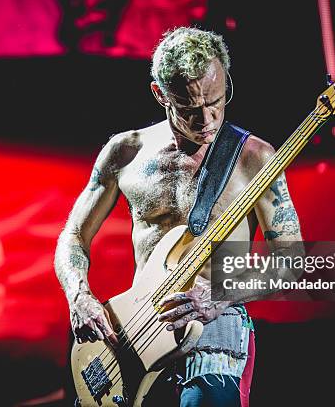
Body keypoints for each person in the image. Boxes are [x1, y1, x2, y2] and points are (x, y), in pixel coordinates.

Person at [55, 27, 303, 407]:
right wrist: (79, 296)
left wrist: (218, 297)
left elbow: (293, 263)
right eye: (189, 108)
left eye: (217, 101)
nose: (206, 119)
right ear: (160, 94)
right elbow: (73, 235)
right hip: (134, 333)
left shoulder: (256, 158)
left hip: (215, 324)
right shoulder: (126, 152)